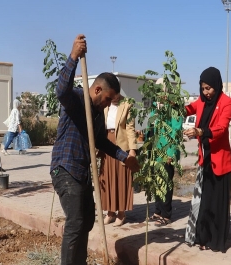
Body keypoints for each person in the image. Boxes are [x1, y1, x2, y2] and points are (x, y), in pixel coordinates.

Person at [50, 34, 140, 265]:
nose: (109, 104)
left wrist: (124, 157)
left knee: (88, 220)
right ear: (98, 89)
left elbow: (101, 141)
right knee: (76, 221)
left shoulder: (98, 114)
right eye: (109, 99)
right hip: (65, 169)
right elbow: (61, 91)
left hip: (81, 173)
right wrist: (73, 57)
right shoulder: (77, 99)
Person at [184, 67, 231, 252]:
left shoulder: (227, 102)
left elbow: (221, 129)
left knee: (217, 203)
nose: (206, 92)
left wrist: (201, 131)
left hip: (219, 160)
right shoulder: (201, 102)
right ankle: (202, 238)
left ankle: (216, 241)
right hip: (205, 159)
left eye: (209, 88)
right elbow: (187, 109)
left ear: (217, 85)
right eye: (203, 88)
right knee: (204, 201)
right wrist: (172, 104)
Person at [99, 93, 137, 227]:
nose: (112, 96)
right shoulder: (104, 104)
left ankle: (121, 213)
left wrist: (132, 149)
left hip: (121, 146)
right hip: (105, 144)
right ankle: (110, 212)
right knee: (107, 178)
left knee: (120, 179)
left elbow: (130, 129)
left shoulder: (127, 105)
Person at [146, 92, 183, 227]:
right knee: (156, 182)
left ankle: (166, 215)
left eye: (163, 91)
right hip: (154, 152)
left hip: (166, 152)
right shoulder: (155, 107)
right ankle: (158, 211)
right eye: (159, 91)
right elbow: (151, 127)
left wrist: (171, 153)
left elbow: (176, 131)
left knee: (165, 183)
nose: (161, 95)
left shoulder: (174, 109)